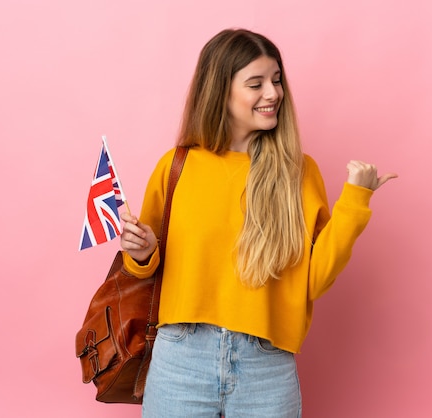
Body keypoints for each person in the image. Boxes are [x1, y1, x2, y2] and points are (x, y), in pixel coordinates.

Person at [120, 28, 397, 418]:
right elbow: (143, 265)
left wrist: (355, 201)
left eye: (277, 80)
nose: (273, 93)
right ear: (220, 91)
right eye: (256, 83)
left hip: (265, 364)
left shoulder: (298, 172)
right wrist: (142, 250)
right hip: (180, 356)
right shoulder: (177, 166)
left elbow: (312, 282)